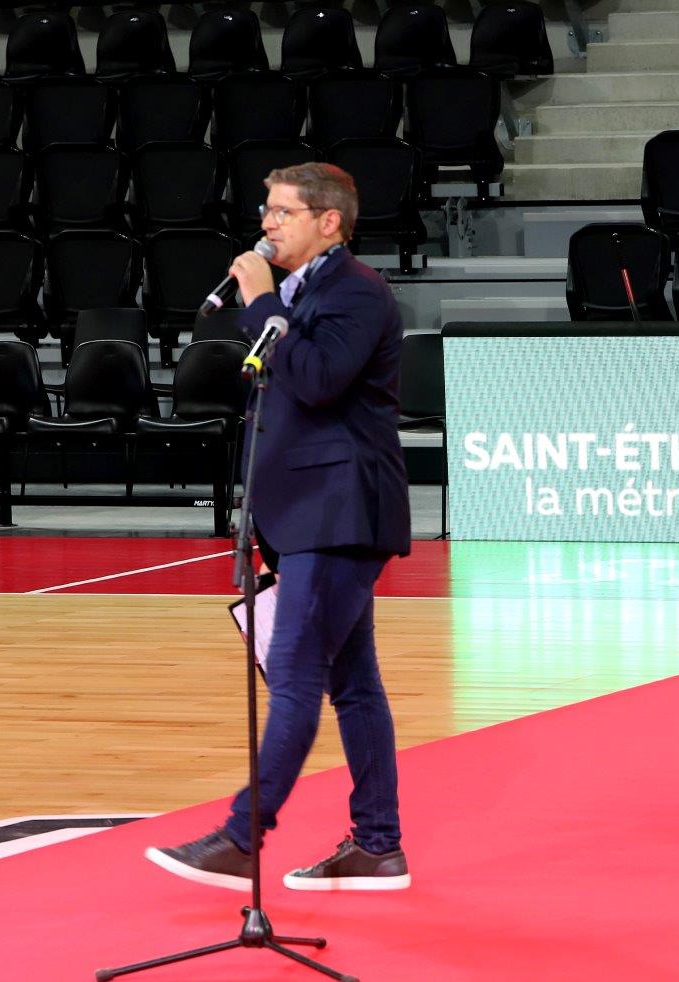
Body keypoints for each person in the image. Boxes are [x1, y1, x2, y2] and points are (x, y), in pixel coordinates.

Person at [145, 162, 413, 893]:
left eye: (283, 212)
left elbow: (320, 379)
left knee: (294, 675)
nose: (266, 223)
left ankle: (242, 837)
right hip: (307, 514)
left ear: (329, 221)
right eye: (266, 210)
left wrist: (264, 306)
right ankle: (378, 846)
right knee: (354, 685)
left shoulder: (357, 290)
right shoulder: (300, 294)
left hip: (341, 508)